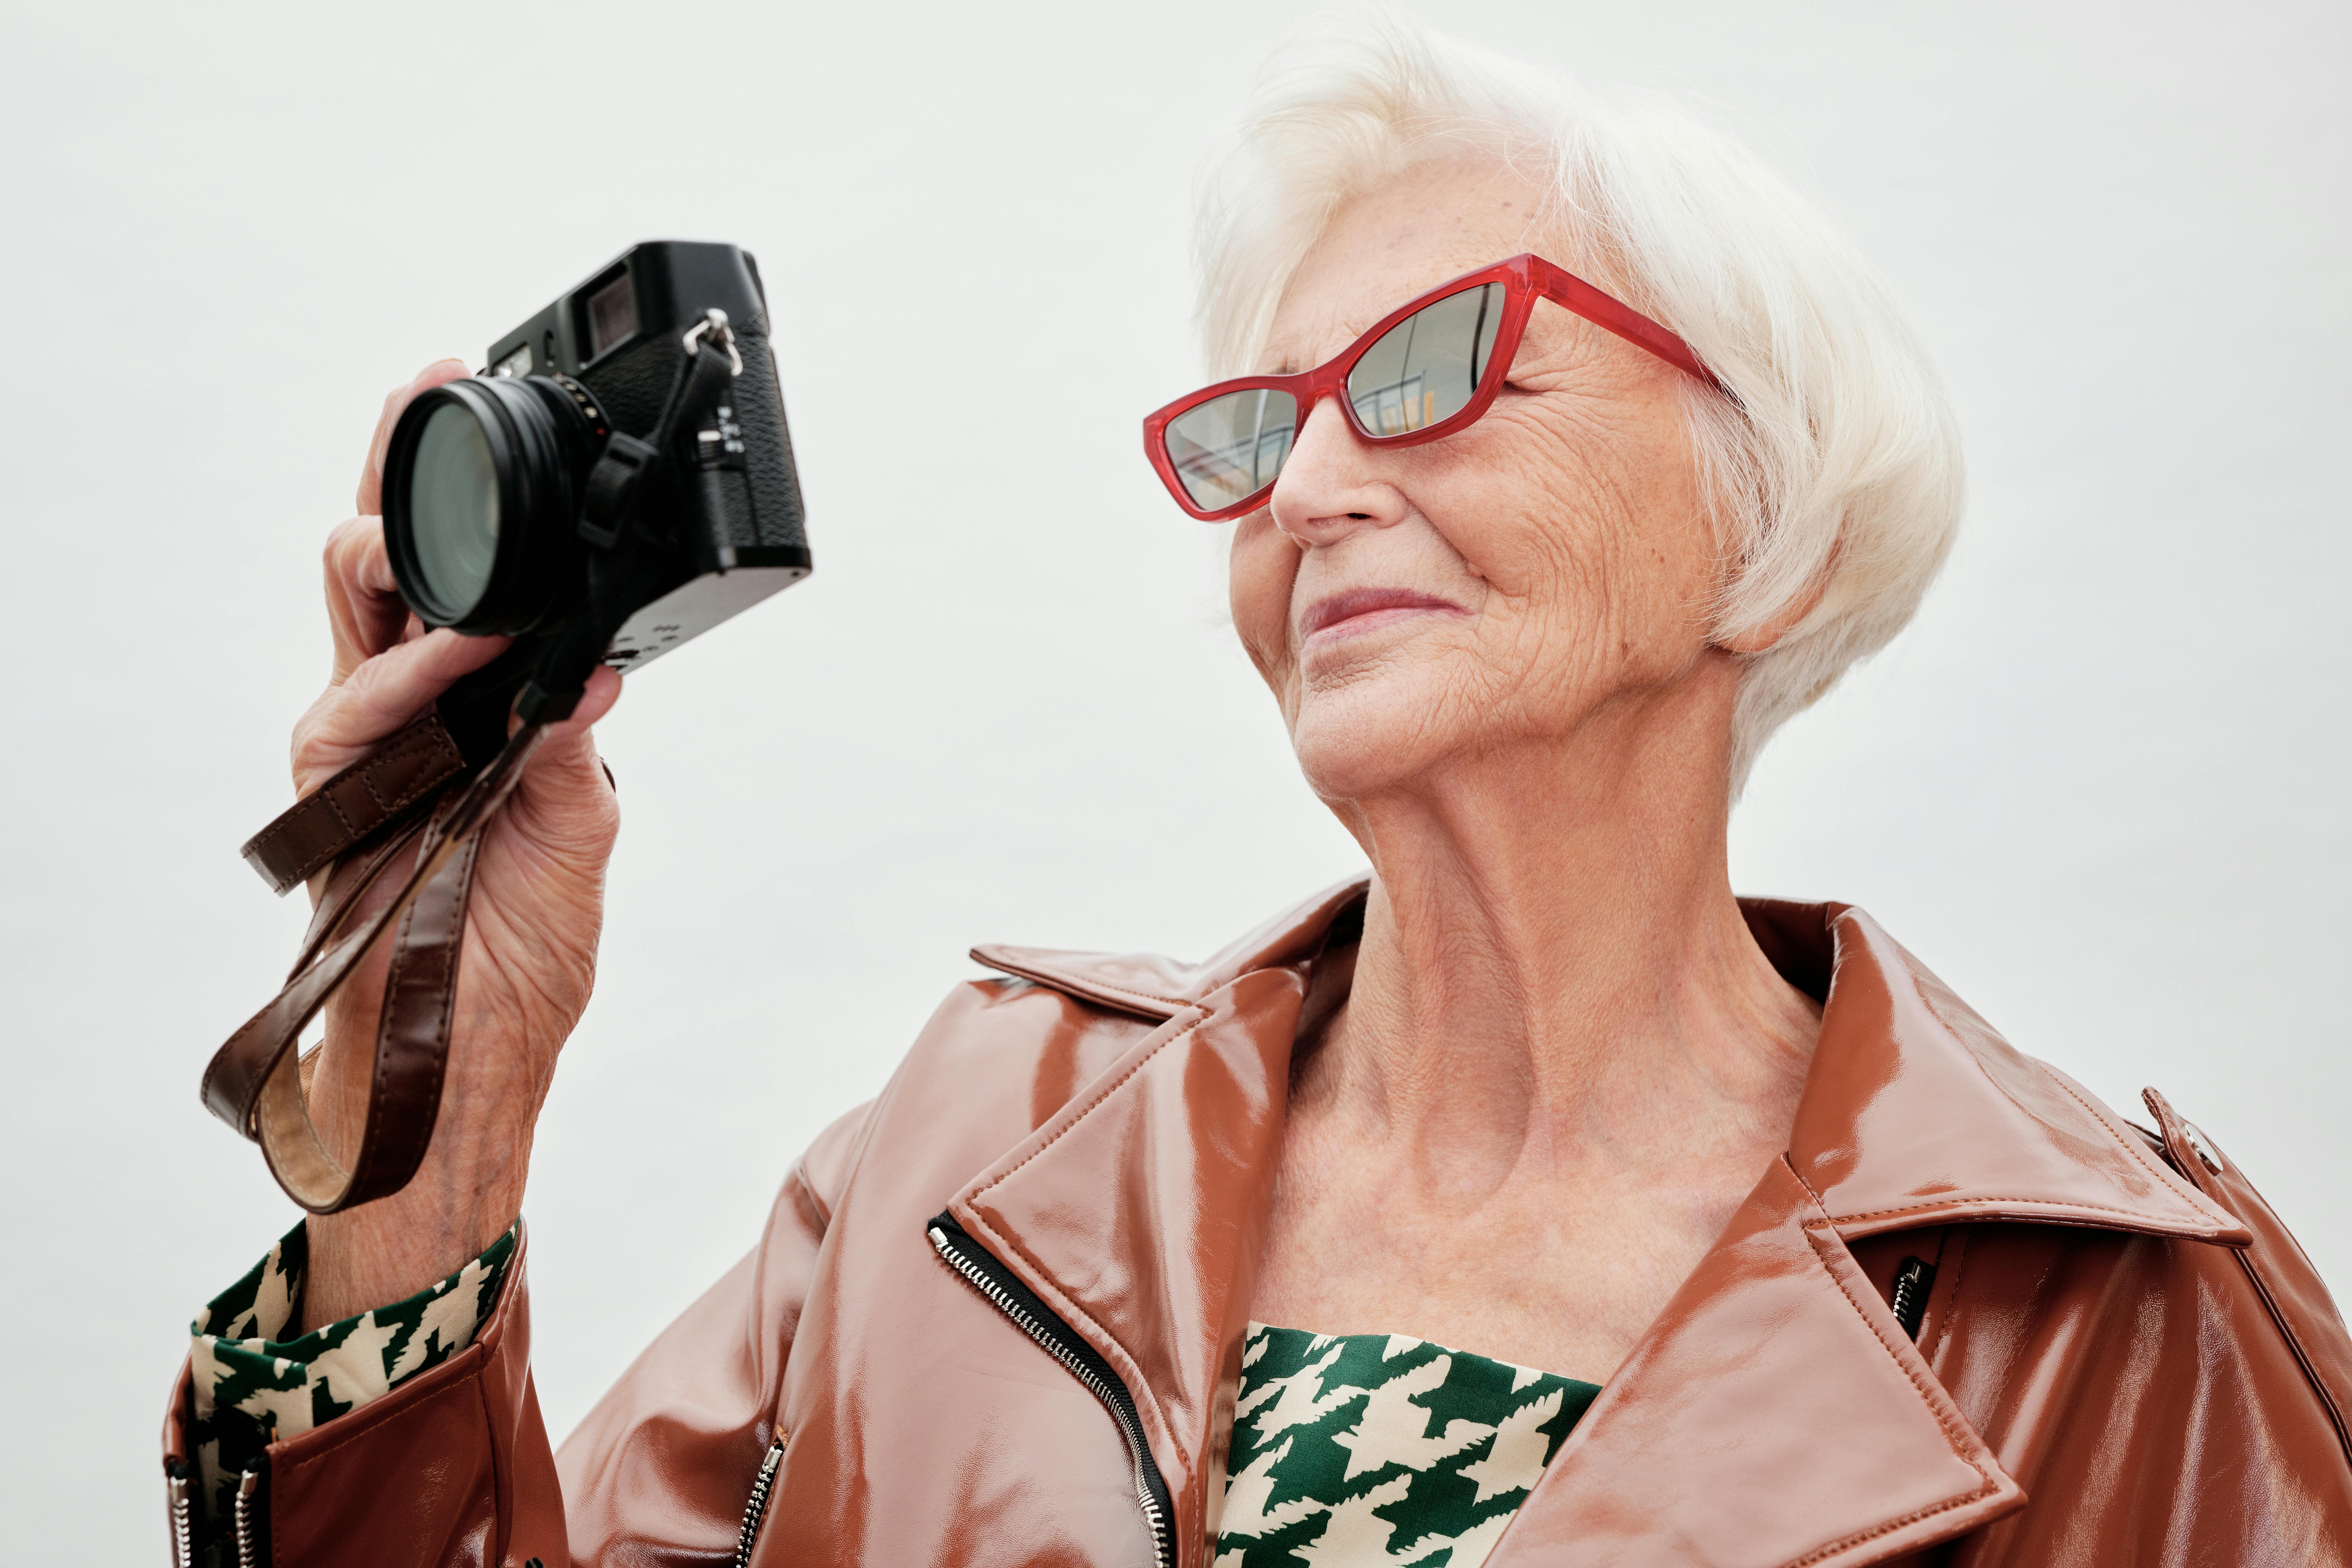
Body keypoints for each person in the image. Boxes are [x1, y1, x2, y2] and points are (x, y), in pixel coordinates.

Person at [163, 16, 2352, 1568]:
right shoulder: (977, 1138)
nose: (1306, 485)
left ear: (1765, 510)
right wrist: (430, 1127)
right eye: (1260, 423)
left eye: (1432, 369)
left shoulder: (2122, 1311)